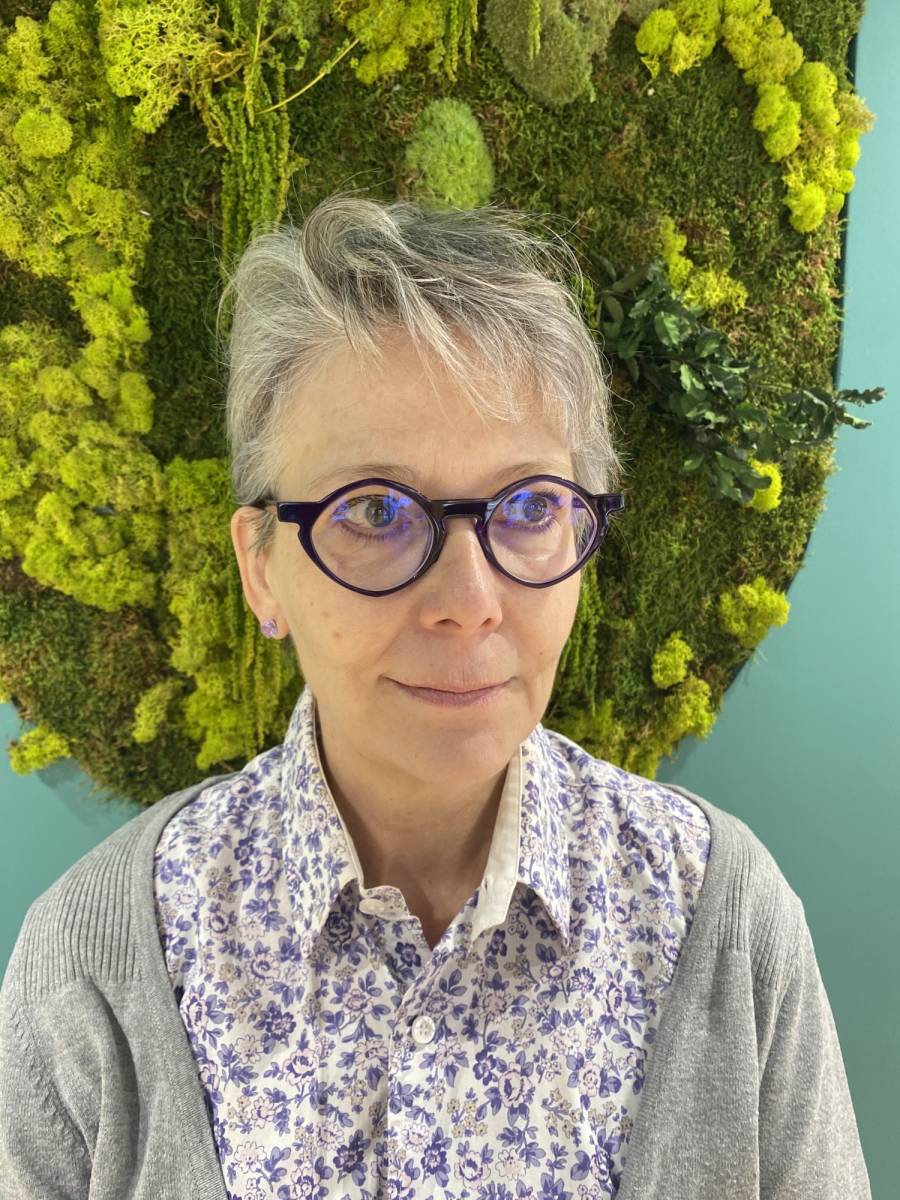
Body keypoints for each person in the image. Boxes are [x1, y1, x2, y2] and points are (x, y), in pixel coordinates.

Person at [0, 193, 871, 1199]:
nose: (469, 601)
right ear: (262, 568)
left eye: (531, 506)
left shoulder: (721, 920)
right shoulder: (94, 966)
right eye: (376, 511)